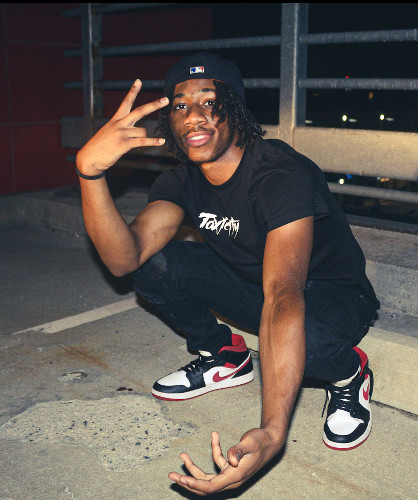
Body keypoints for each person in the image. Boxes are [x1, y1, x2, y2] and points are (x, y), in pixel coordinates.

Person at [76, 52, 380, 495]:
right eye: (181, 105)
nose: (193, 116)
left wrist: (272, 433)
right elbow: (124, 258)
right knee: (154, 265)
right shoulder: (182, 180)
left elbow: (283, 293)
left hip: (330, 293)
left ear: (235, 109)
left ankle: (350, 374)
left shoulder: (280, 173)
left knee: (309, 346)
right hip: (256, 286)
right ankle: (224, 355)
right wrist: (90, 173)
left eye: (209, 102)